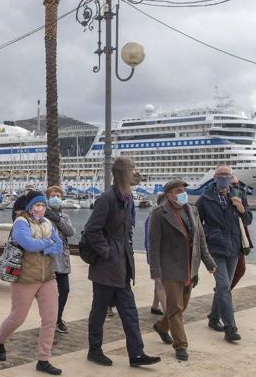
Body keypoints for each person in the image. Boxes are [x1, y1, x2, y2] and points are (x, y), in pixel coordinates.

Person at [83, 157, 161, 368]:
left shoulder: (127, 198)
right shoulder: (107, 199)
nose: (136, 172)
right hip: (106, 266)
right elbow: (91, 230)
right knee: (99, 311)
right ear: (121, 174)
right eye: (132, 169)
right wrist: (107, 252)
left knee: (130, 311)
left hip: (122, 265)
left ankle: (136, 354)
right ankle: (94, 350)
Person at [0, 191, 64, 375]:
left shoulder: (48, 223)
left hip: (47, 277)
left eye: (42, 205)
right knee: (18, 317)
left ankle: (43, 359)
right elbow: (28, 245)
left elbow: (59, 246)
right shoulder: (20, 223)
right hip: (25, 278)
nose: (40, 209)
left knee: (50, 319)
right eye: (36, 205)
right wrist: (47, 243)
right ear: (29, 207)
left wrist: (45, 246)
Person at [149, 179, 217, 361]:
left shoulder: (192, 210)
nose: (183, 193)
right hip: (170, 268)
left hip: (190, 267)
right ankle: (181, 345)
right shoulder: (159, 213)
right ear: (169, 194)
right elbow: (154, 244)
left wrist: (209, 262)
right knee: (176, 308)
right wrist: (155, 272)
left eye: (184, 190)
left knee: (180, 306)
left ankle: (162, 326)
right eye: (179, 190)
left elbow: (200, 239)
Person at [196, 165, 253, 343]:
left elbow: (248, 219)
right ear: (214, 177)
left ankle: (214, 318)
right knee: (223, 286)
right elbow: (198, 223)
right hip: (215, 248)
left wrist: (241, 209)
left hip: (234, 247)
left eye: (227, 175)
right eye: (220, 174)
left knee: (224, 286)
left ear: (231, 177)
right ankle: (230, 327)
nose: (223, 177)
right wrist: (206, 238)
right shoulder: (205, 198)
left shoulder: (238, 195)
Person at [44, 185, 75, 334]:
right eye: (53, 195)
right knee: (48, 293)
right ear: (47, 198)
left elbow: (70, 232)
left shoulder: (65, 216)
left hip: (62, 260)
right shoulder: (42, 216)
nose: (56, 198)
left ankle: (58, 318)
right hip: (47, 259)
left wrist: (58, 219)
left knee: (65, 290)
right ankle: (50, 319)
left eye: (58, 195)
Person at [144, 193, 167, 316]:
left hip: (161, 255)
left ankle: (155, 306)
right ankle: (168, 313)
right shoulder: (154, 216)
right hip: (157, 255)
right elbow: (150, 240)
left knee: (159, 281)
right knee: (161, 282)